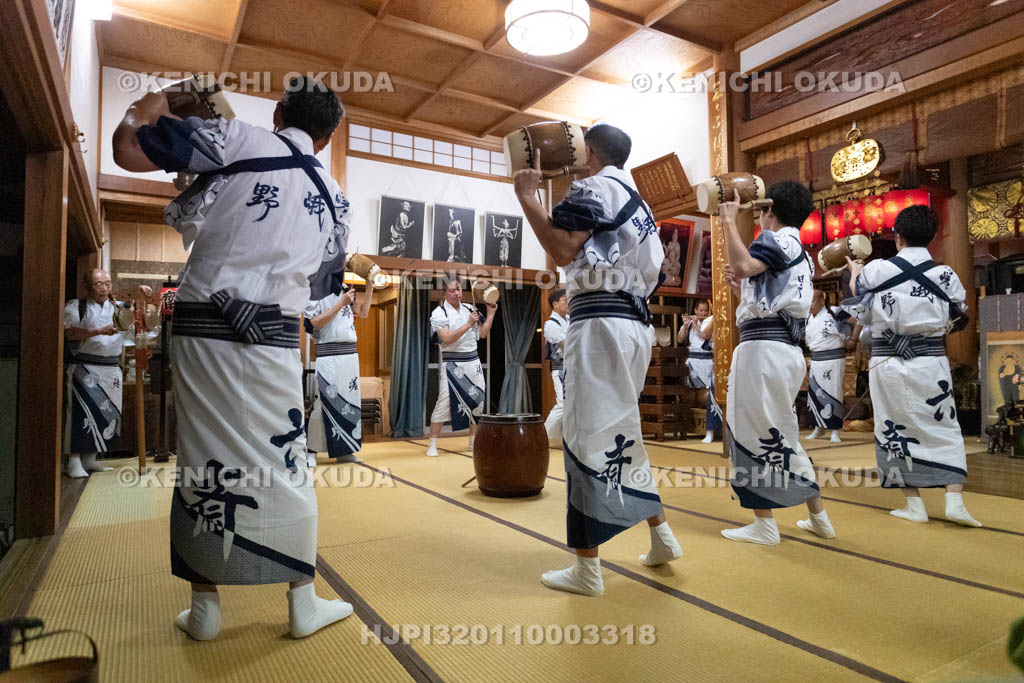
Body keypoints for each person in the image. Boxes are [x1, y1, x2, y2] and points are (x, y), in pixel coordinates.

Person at [112, 76, 353, 640]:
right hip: (274, 334)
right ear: (326, 136)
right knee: (288, 459)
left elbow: (128, 149)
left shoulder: (235, 138)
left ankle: (205, 609)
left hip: (203, 326)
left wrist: (141, 107)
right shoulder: (334, 195)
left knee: (202, 452)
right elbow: (325, 277)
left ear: (277, 113)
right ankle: (302, 602)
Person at [513, 124, 682, 597]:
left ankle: (587, 569)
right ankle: (661, 534)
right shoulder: (641, 203)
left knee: (585, 436)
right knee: (622, 429)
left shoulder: (592, 187)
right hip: (635, 326)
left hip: (600, 321)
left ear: (588, 153)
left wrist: (529, 197)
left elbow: (564, 247)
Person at [846, 205, 980, 527]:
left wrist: (854, 271)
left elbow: (859, 304)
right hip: (930, 360)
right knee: (944, 426)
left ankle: (914, 504)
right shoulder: (945, 274)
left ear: (897, 237)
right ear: (933, 237)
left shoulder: (876, 270)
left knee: (892, 428)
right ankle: (954, 500)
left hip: (887, 362)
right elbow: (958, 314)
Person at [718, 181, 836, 546]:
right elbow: (765, 286)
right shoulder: (800, 250)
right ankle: (818, 517)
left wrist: (726, 220)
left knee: (750, 430)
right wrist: (744, 290)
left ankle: (764, 523)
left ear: (769, 210)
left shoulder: (778, 239)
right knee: (781, 431)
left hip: (763, 349)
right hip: (783, 348)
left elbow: (742, 263)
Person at [63, 268, 134, 478]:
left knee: (108, 413)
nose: (105, 288)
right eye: (99, 284)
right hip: (85, 367)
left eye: (108, 283)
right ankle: (74, 460)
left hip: (112, 368)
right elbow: (70, 334)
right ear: (88, 286)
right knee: (80, 413)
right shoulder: (77, 306)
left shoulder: (119, 308)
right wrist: (98, 331)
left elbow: (129, 333)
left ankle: (91, 458)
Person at [425, 277, 497, 456]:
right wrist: (468, 323)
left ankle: (473, 442)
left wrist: (490, 314)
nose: (457, 293)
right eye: (452, 290)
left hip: (473, 360)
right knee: (444, 401)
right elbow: (447, 338)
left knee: (477, 399)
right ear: (444, 293)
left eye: (458, 289)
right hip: (452, 362)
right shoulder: (439, 313)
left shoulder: (469, 308)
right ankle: (432, 443)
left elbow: (483, 333)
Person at [305, 280, 373, 463]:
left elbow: (363, 313)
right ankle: (312, 450)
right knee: (324, 403)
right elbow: (314, 324)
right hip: (329, 355)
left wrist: (370, 288)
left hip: (350, 355)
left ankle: (344, 450)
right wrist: (340, 304)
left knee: (350, 403)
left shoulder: (344, 287)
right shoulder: (315, 291)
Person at [804, 289, 855, 443]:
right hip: (816, 359)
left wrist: (853, 339)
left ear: (821, 300)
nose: (810, 305)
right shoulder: (808, 318)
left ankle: (835, 430)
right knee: (815, 393)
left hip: (833, 358)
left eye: (812, 301)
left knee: (833, 392)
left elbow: (857, 319)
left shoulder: (834, 312)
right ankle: (818, 428)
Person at [677, 299, 721, 444]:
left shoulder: (710, 321)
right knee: (689, 393)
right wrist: (685, 325)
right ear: (695, 310)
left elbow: (705, 336)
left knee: (706, 394)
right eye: (700, 310)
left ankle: (709, 427)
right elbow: (680, 339)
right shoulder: (690, 324)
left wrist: (696, 325)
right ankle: (687, 426)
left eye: (705, 310)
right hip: (692, 361)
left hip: (707, 361)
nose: (703, 313)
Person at [543, 288, 569, 445]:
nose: (568, 303)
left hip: (573, 367)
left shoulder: (570, 320)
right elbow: (566, 344)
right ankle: (544, 436)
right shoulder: (550, 324)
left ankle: (563, 435)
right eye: (565, 300)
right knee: (563, 404)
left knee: (572, 404)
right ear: (555, 304)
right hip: (560, 368)